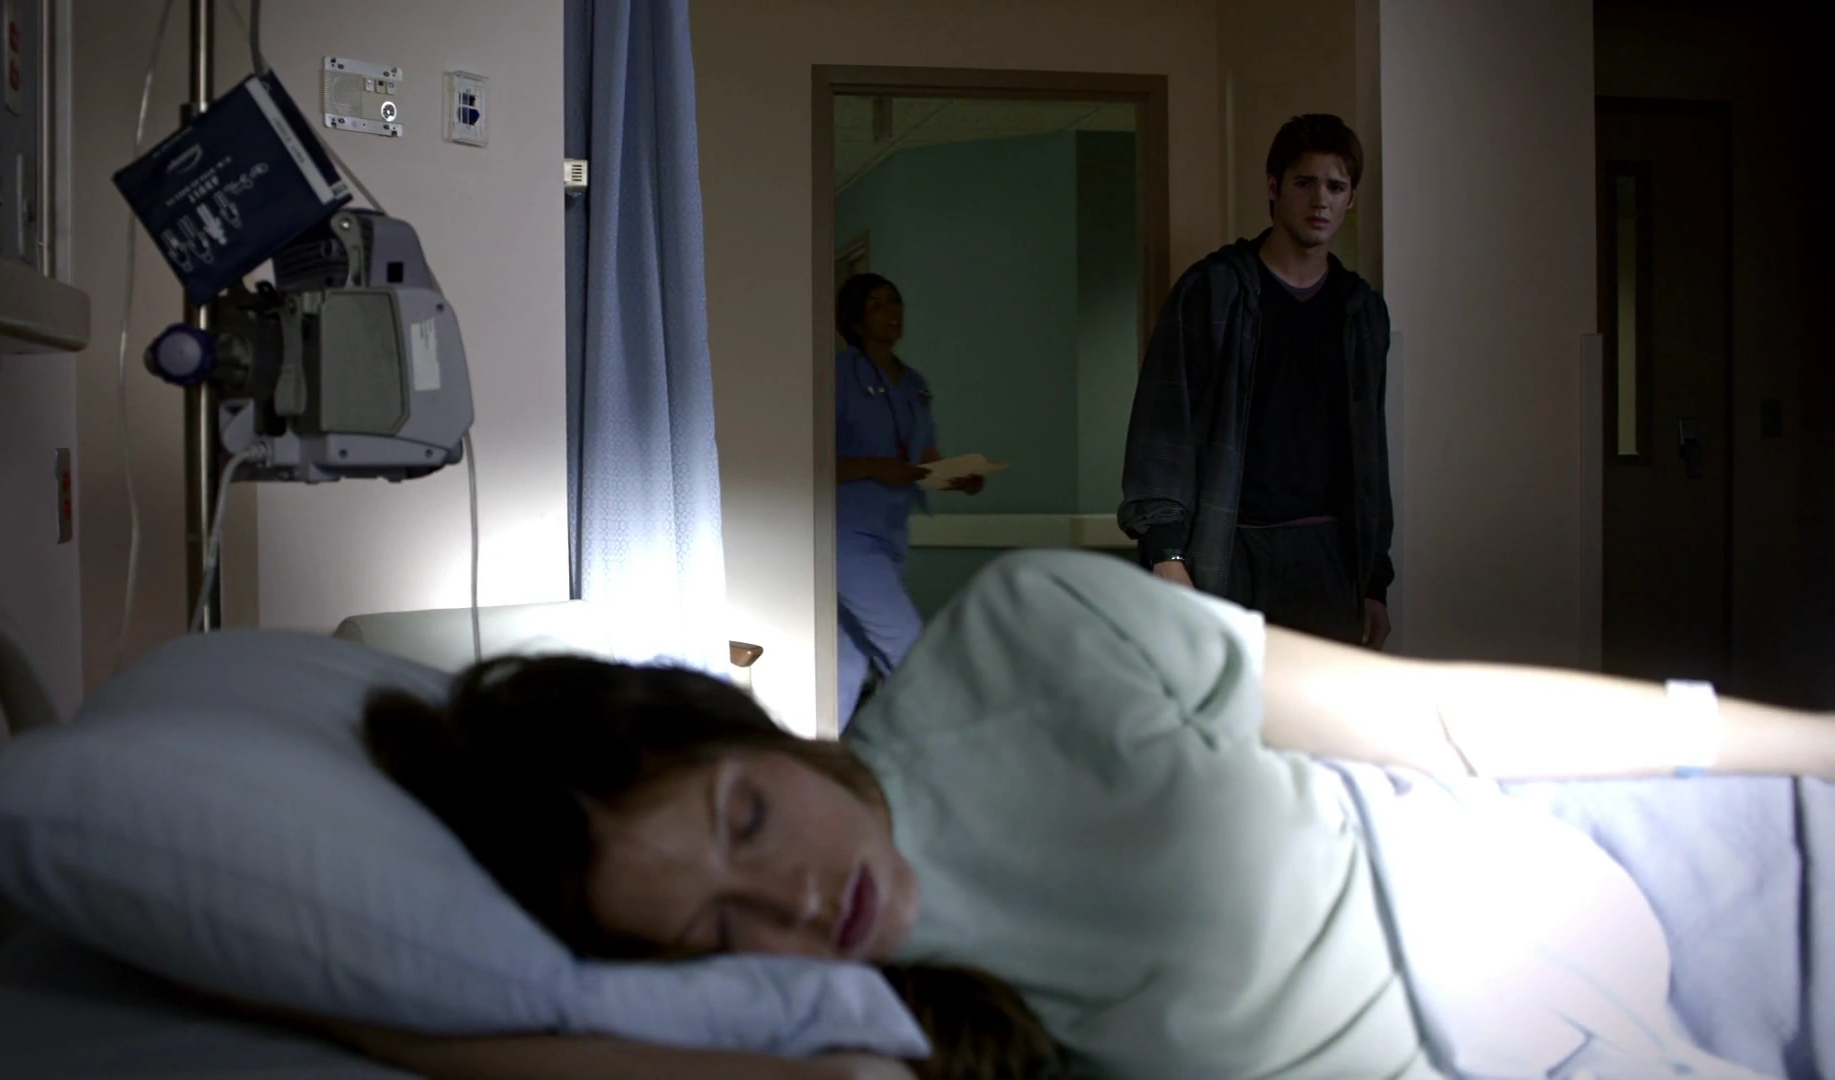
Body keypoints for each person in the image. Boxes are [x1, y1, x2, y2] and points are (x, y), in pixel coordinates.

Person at [283, 550, 1822, 1079]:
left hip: (1619, 880)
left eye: (749, 825)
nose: (793, 906)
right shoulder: (843, 1013)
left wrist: (1807, 744)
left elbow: (1434, 718)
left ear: (748, 730)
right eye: (715, 927)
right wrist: (331, 1007)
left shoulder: (1026, 638)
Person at [1121, 114, 1395, 649]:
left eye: (1336, 187)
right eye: (1305, 182)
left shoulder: (1360, 311)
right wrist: (1165, 552)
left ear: (1351, 200)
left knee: (1318, 700)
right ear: (1274, 188)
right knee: (1227, 696)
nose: (1320, 201)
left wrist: (1374, 581)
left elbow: (1371, 456)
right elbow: (1164, 424)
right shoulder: (1214, 292)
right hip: (1230, 547)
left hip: (1328, 555)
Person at [833, 273, 983, 727]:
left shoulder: (914, 384)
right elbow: (811, 459)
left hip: (891, 532)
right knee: (907, 644)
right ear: (855, 321)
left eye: (895, 301)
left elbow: (923, 457)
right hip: (846, 534)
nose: (892, 312)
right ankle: (938, 745)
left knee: (848, 657)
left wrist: (955, 475)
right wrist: (874, 467)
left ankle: (823, 749)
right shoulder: (838, 374)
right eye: (877, 305)